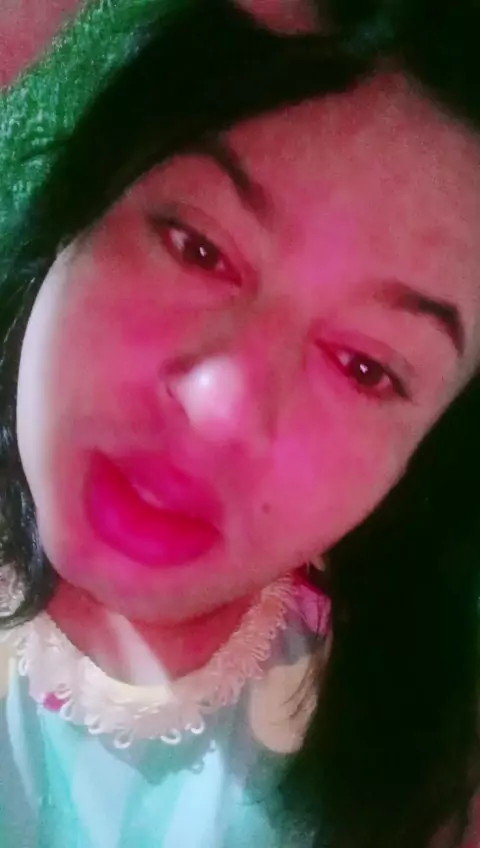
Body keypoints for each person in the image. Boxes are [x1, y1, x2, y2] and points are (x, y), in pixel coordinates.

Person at [0, 0, 479, 846]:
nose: (219, 410)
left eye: (365, 367)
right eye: (198, 247)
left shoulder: (421, 737)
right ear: (89, 199)